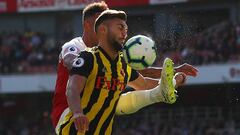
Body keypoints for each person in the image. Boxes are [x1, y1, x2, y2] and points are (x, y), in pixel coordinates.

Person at [51, 0, 198, 132]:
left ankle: (160, 92)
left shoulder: (113, 58)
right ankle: (158, 94)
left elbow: (139, 77)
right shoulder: (75, 47)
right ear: (88, 25)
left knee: (115, 90)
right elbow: (75, 68)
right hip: (68, 112)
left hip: (97, 116)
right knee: (112, 92)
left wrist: (172, 77)